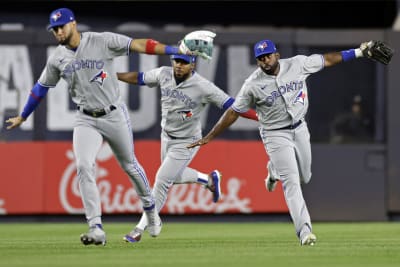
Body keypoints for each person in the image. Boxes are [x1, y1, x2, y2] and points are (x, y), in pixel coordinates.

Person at [5, 7, 210, 246]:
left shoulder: (101, 41)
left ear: (74, 24)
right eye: (54, 29)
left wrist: (173, 50)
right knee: (83, 165)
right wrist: (23, 115)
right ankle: (96, 228)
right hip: (85, 119)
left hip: (114, 114)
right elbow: (41, 88)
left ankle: (152, 213)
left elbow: (140, 45)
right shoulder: (57, 58)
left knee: (130, 166)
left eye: (61, 26)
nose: (58, 32)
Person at [188, 39, 380, 246]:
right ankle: (305, 231)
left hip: (299, 127)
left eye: (268, 55)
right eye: (260, 58)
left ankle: (273, 169)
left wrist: (359, 53)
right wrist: (210, 136)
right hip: (274, 133)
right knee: (292, 182)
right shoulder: (252, 84)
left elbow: (327, 60)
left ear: (276, 55)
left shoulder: (297, 64)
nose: (264, 60)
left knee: (306, 175)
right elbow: (234, 112)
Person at [116, 54, 258, 243]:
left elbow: (234, 106)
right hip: (166, 136)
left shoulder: (203, 86)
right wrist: (114, 74)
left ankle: (141, 227)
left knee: (162, 180)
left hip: (187, 141)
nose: (179, 65)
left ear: (192, 64)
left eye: (184, 62)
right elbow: (139, 78)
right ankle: (208, 180)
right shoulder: (163, 74)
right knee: (173, 177)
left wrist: (260, 117)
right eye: (177, 61)